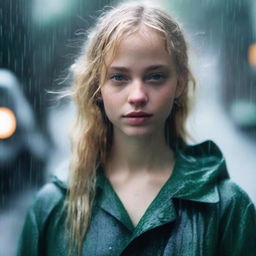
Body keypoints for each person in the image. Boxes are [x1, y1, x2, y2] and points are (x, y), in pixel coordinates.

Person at [17, 2, 256, 256]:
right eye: (119, 77)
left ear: (180, 82)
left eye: (155, 76)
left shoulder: (228, 207)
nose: (138, 95)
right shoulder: (52, 207)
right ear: (98, 86)